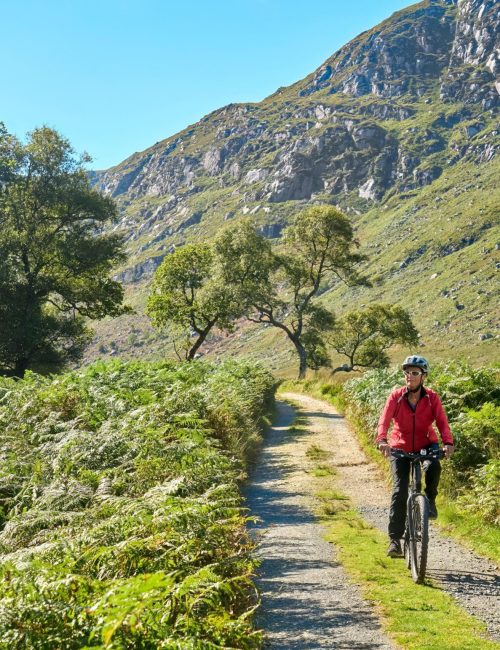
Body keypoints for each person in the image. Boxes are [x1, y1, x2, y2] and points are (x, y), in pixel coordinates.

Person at [376, 355, 454, 558]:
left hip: (426, 443)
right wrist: (382, 440)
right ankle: (395, 540)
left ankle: (430, 500)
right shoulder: (396, 397)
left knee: (434, 466)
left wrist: (448, 443)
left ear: (423, 377)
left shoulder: (432, 398)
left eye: (414, 373)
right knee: (400, 490)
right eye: (407, 372)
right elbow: (384, 421)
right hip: (399, 447)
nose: (409, 376)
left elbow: (442, 422)